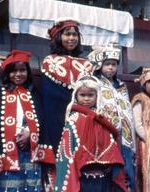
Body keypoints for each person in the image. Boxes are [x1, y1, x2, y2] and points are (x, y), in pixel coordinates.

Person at [0, 50, 53, 192]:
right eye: (13, 71)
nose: (18, 74)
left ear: (28, 71)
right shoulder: (1, 93)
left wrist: (30, 133)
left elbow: (41, 120)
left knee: (31, 185)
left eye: (22, 70)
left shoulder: (33, 93)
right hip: (8, 152)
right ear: (7, 73)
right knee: (11, 186)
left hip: (31, 150)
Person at [55, 76, 128, 192]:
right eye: (82, 95)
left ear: (97, 96)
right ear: (76, 96)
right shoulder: (73, 119)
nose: (86, 99)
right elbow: (67, 152)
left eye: (90, 95)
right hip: (83, 176)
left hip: (103, 174)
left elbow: (111, 140)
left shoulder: (103, 117)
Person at [40, 18, 93, 154]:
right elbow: (48, 97)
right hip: (55, 118)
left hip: (82, 117)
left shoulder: (86, 64)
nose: (71, 38)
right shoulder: (49, 62)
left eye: (74, 34)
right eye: (67, 34)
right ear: (58, 37)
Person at [88, 45, 136, 190]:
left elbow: (127, 109)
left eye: (114, 64)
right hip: (106, 132)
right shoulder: (95, 83)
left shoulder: (121, 86)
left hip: (125, 135)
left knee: (127, 167)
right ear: (99, 65)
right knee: (109, 167)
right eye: (107, 64)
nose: (111, 68)